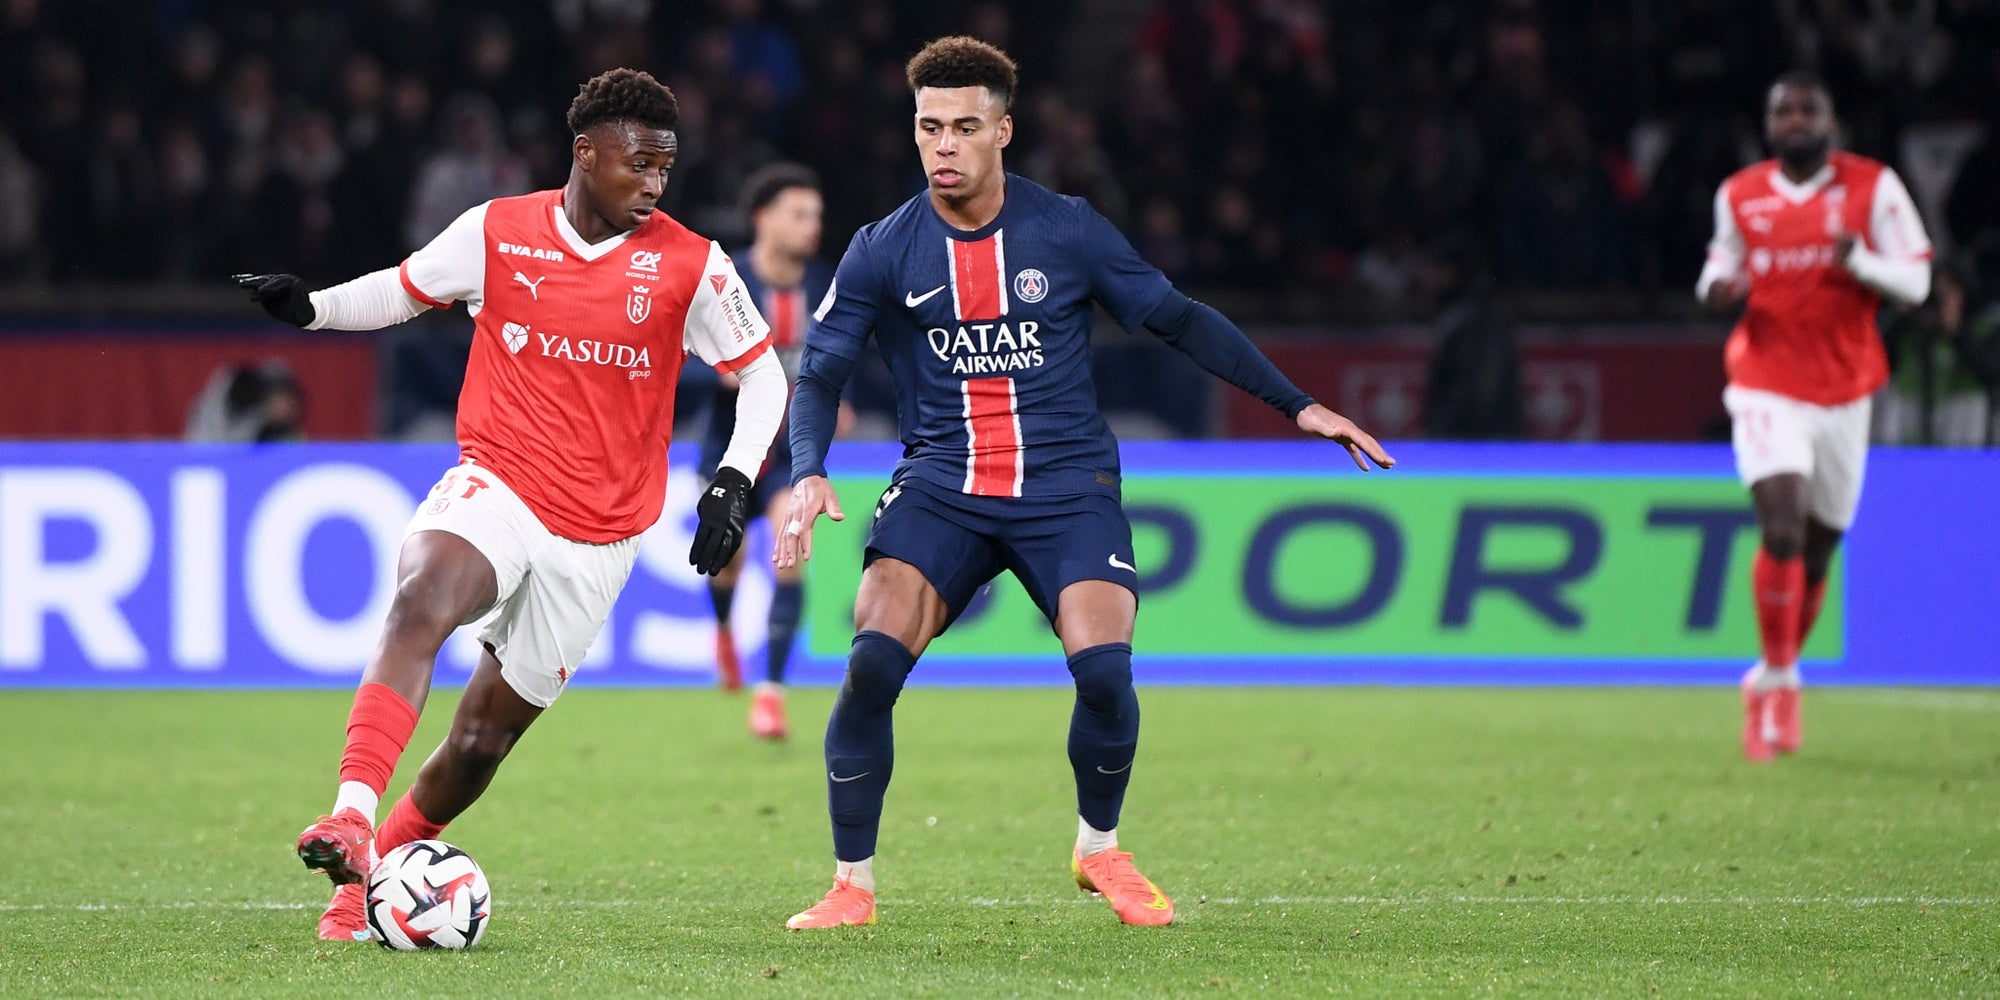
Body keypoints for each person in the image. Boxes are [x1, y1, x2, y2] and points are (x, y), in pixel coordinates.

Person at [774, 36, 1394, 930]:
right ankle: (851, 886)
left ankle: (1099, 849)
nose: (943, 145)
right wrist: (808, 470)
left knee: (1104, 672)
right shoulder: (884, 249)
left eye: (963, 127)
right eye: (928, 128)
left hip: (1067, 484)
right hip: (943, 484)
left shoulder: (1064, 230)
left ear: (1004, 131)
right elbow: (822, 365)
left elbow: (1177, 318)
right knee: (870, 664)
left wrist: (1296, 405)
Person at [234, 67, 787, 941]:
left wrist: (733, 477)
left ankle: (369, 871)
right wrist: (310, 310)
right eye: (637, 163)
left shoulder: (691, 263)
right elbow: (400, 289)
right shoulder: (497, 231)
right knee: (423, 596)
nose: (652, 184)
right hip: (501, 481)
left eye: (664, 170)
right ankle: (347, 813)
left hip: (601, 536)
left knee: (479, 745)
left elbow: (762, 374)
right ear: (585, 151)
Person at [1696, 71, 1932, 762]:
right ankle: (1787, 683)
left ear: (1831, 121)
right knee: (1782, 525)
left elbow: (1916, 279)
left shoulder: (1873, 187)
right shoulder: (1740, 194)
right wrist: (1719, 287)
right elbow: (1716, 269)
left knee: (1822, 546)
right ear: (1769, 125)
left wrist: (1862, 263)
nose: (1795, 120)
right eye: (1782, 111)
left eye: (1808, 109)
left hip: (1846, 389)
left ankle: (1765, 677)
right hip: (1766, 382)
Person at [696, 162, 835, 739]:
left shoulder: (823, 286)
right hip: (729, 453)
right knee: (725, 562)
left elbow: (840, 360)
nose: (811, 227)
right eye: (798, 215)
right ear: (763, 219)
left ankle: (770, 695)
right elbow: (676, 362)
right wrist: (717, 373)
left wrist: (834, 397)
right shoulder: (726, 282)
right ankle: (725, 631)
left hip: (790, 458)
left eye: (817, 217)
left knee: (790, 553)